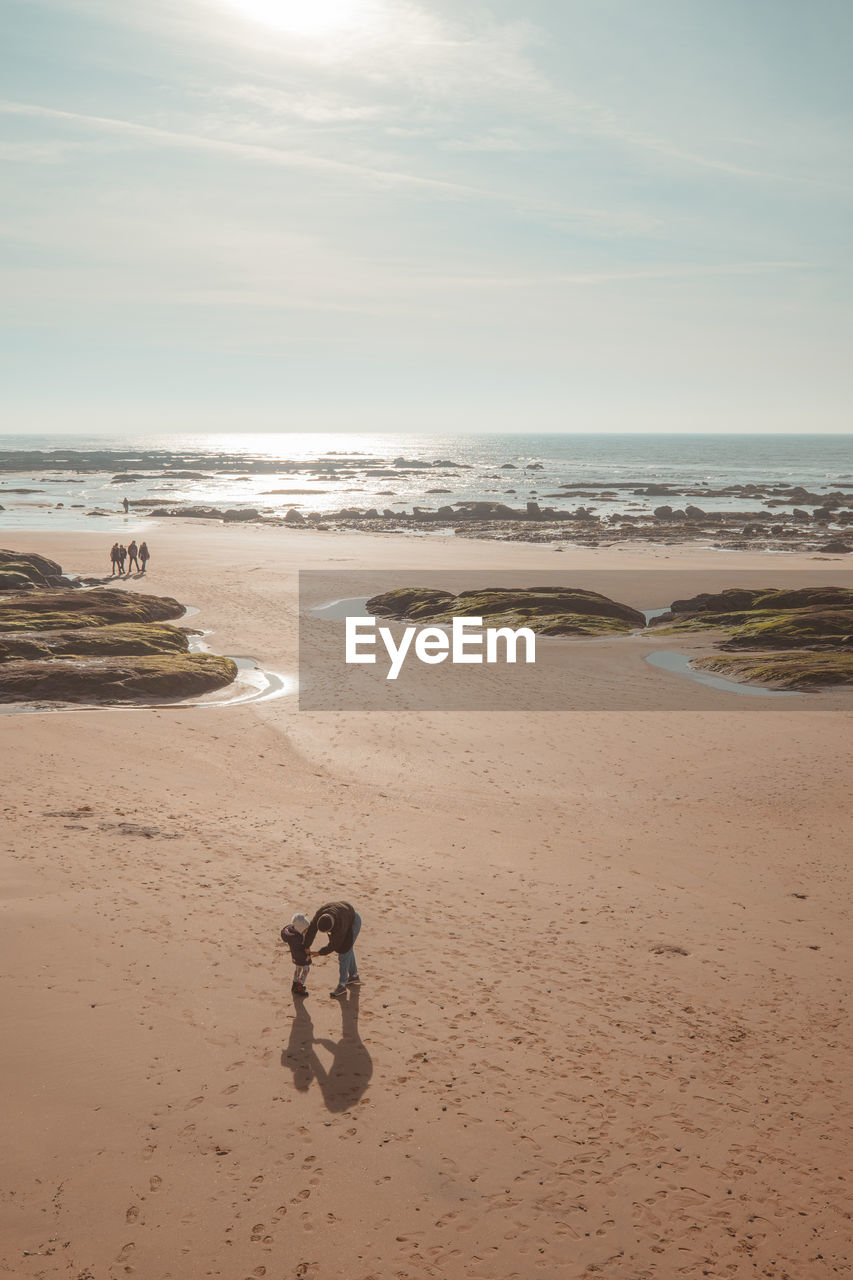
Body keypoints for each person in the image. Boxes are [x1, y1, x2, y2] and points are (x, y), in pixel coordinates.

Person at [304, 901, 361, 998]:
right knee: (348, 949)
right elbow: (312, 929)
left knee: (344, 952)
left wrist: (320, 952)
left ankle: (342, 985)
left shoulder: (340, 926)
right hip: (346, 913)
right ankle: (354, 976)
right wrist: (307, 945)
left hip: (353, 922)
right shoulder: (321, 913)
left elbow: (334, 945)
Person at [281, 912, 312, 997]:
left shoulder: (290, 932)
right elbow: (303, 948)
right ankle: (299, 986)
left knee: (298, 968)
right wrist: (307, 956)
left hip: (295, 955)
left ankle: (295, 984)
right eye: (305, 929)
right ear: (300, 929)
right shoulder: (298, 938)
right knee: (306, 969)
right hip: (302, 956)